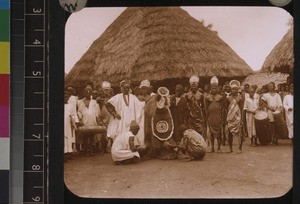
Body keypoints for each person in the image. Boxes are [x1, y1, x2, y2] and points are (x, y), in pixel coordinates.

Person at [77, 87, 100, 156]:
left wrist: (98, 121)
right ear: (84, 93)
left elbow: (96, 113)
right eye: (87, 92)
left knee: (91, 137)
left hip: (92, 121)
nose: (88, 93)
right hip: (84, 121)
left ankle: (91, 151)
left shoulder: (94, 102)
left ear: (91, 93)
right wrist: (80, 119)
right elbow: (79, 112)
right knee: (85, 137)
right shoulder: (80, 102)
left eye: (90, 92)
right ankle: (86, 151)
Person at [205, 76, 223, 153]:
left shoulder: (220, 97)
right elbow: (206, 109)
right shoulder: (207, 97)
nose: (214, 89)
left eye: (215, 88)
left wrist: (222, 118)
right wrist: (207, 118)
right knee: (211, 134)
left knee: (219, 133)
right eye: (212, 88)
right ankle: (212, 147)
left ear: (217, 88)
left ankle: (218, 147)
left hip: (218, 117)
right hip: (211, 118)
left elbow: (222, 108)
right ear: (210, 89)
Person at [226, 80, 244, 154]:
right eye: (232, 89)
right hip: (230, 118)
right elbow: (226, 108)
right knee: (229, 133)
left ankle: (240, 148)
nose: (234, 90)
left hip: (238, 118)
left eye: (235, 89)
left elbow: (242, 109)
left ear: (238, 90)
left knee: (240, 133)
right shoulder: (228, 98)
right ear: (230, 90)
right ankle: (230, 148)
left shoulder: (240, 98)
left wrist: (242, 119)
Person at [64, 91, 77, 162]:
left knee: (68, 139)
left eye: (67, 97)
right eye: (64, 97)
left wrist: (74, 125)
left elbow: (72, 116)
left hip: (68, 126)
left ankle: (66, 156)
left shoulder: (70, 106)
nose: (65, 98)